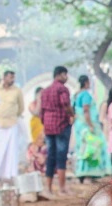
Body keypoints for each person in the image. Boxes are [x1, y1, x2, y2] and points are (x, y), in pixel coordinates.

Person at [41, 66, 75, 196]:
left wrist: (45, 122)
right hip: (61, 125)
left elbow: (42, 111)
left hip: (48, 127)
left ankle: (48, 188)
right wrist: (72, 114)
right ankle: (62, 188)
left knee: (51, 156)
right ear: (59, 75)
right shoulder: (62, 89)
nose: (66, 77)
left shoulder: (46, 91)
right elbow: (66, 104)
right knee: (61, 157)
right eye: (65, 75)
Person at [73, 75, 109, 182]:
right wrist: (90, 125)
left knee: (82, 148)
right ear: (85, 83)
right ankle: (89, 174)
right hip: (87, 125)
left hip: (79, 126)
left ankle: (82, 172)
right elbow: (86, 111)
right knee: (92, 149)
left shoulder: (76, 95)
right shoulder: (85, 95)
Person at [0, 71, 23, 182]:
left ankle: (11, 174)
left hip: (12, 123)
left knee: (12, 150)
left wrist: (14, 115)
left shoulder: (17, 90)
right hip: (0, 124)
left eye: (13, 77)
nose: (12, 80)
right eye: (10, 77)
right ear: (4, 78)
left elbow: (21, 107)